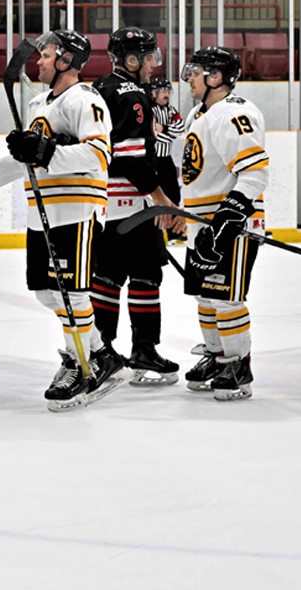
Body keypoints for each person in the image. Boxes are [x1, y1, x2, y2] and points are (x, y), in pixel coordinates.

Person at [0, 29, 120, 410]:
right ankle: (101, 354)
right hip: (39, 210)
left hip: (76, 208)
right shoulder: (38, 102)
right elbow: (30, 155)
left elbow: (98, 155)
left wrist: (44, 149)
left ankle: (83, 364)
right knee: (46, 291)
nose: (37, 61)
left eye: (46, 55)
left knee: (72, 294)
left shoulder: (86, 100)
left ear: (66, 61)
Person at [89, 27, 183, 387]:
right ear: (130, 59)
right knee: (145, 276)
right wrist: (161, 201)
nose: (152, 65)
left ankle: (105, 351)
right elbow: (130, 159)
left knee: (107, 278)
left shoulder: (100, 87)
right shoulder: (132, 95)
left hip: (105, 204)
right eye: (147, 57)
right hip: (132, 205)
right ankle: (143, 349)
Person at [177, 47, 266, 401]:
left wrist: (227, 220)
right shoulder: (198, 114)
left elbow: (254, 172)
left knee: (227, 298)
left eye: (196, 72)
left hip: (232, 223)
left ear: (216, 77)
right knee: (205, 295)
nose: (189, 79)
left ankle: (238, 363)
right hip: (201, 221)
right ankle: (216, 357)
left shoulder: (234, 113)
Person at [148, 76, 184, 192]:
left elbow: (180, 127)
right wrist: (167, 133)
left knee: (173, 193)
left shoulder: (171, 110)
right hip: (151, 160)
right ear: (154, 92)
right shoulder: (148, 110)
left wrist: (163, 128)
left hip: (167, 159)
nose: (167, 95)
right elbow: (152, 134)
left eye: (168, 91)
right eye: (164, 91)